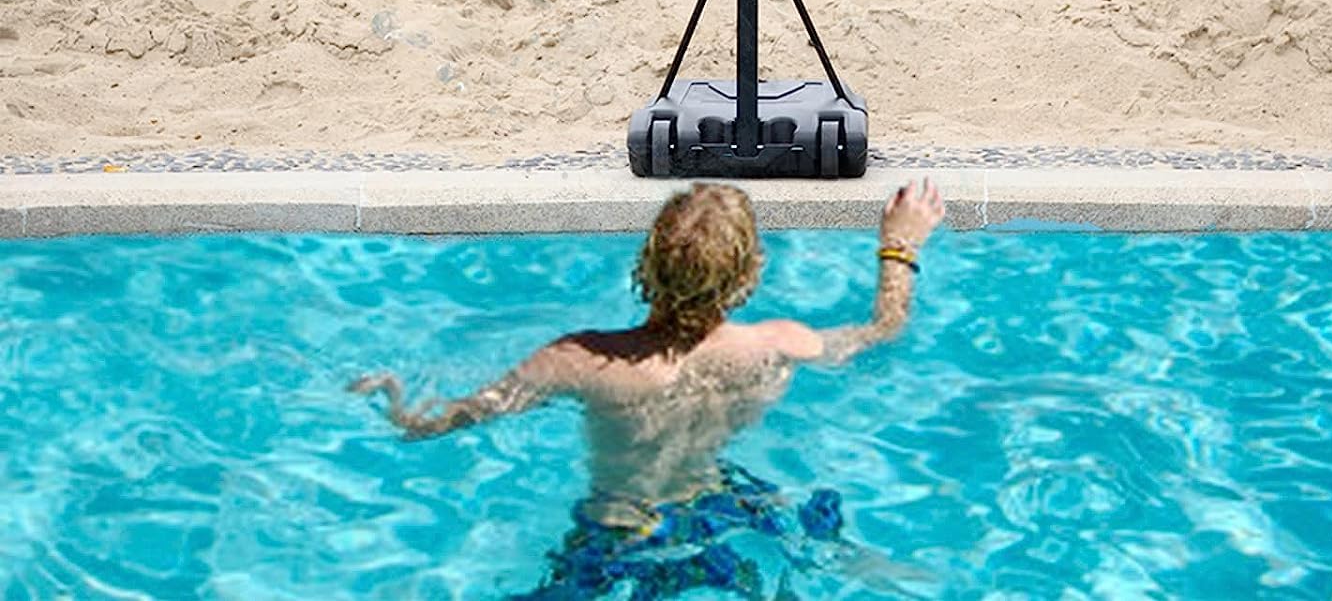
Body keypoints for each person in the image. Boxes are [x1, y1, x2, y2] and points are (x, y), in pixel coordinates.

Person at [351, 177, 945, 596]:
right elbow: (882, 330)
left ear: (647, 263)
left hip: (617, 531)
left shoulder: (581, 360)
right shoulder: (778, 345)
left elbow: (457, 419)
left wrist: (399, 407)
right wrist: (901, 245)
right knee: (806, 541)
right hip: (720, 510)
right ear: (749, 275)